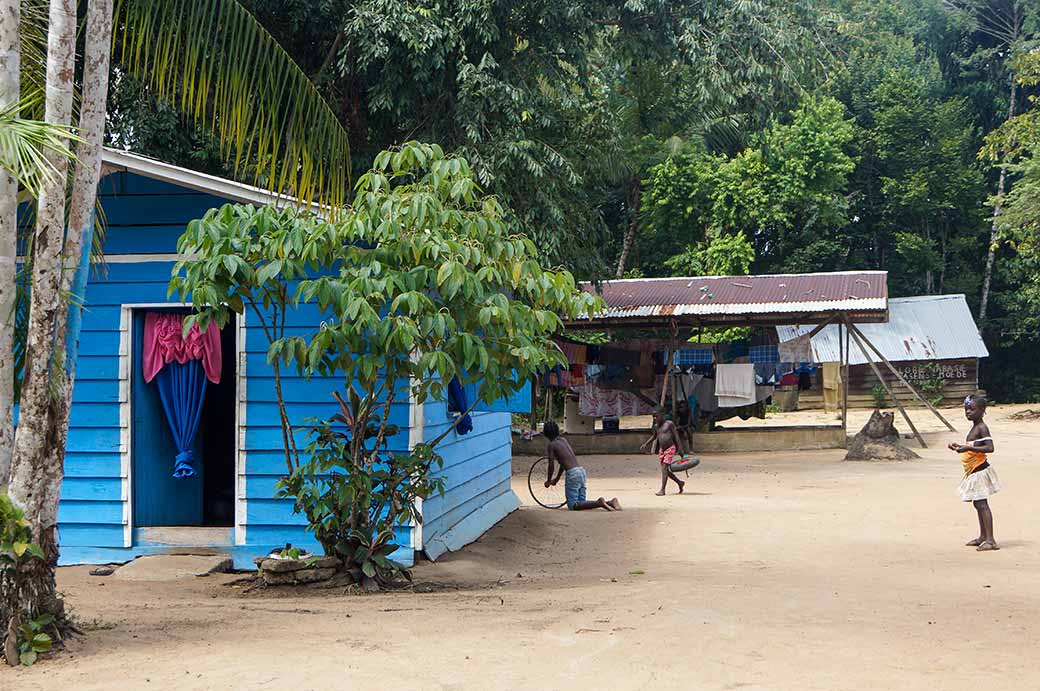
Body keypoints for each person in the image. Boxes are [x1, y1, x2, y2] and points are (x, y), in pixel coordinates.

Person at [947, 395, 1000, 552]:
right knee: (978, 503)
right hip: (973, 471)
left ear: (982, 410)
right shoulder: (975, 428)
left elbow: (990, 448)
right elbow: (974, 446)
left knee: (982, 504)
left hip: (980, 471)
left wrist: (968, 448)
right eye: (966, 409)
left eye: (972, 409)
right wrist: (960, 447)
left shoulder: (982, 427)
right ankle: (983, 537)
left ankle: (990, 540)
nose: (968, 412)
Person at [543, 421, 621, 511]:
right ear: (557, 431)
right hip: (581, 471)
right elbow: (562, 463)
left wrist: (548, 481)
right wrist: (556, 479)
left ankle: (599, 503)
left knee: (573, 505)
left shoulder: (551, 445)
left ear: (546, 434)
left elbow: (551, 465)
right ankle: (610, 502)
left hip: (573, 474)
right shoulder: (563, 440)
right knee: (581, 502)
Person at [651, 408, 687, 496]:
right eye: (653, 417)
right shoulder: (656, 426)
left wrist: (680, 449)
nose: (655, 418)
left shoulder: (669, 424)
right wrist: (646, 443)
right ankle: (679, 482)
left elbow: (676, 437)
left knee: (664, 469)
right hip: (662, 450)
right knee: (665, 470)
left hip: (670, 448)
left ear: (663, 415)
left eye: (657, 416)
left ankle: (662, 490)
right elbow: (654, 437)